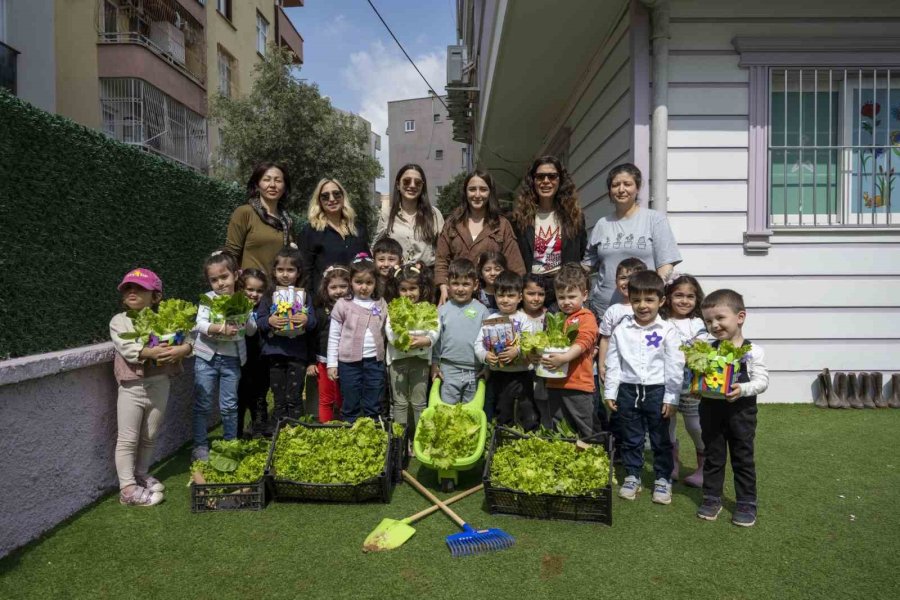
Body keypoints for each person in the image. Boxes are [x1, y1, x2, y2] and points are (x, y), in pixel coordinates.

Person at [110, 268, 192, 506]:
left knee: (150, 435)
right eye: (128, 288)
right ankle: (127, 488)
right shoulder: (119, 320)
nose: (132, 292)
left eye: (140, 288)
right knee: (127, 438)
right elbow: (128, 348)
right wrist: (149, 352)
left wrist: (183, 349)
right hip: (132, 387)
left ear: (156, 297)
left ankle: (141, 474)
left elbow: (187, 340)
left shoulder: (165, 317)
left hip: (159, 383)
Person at [604, 271, 684, 505]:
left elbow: (675, 365)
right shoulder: (622, 329)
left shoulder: (667, 330)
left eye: (649, 300)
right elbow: (613, 362)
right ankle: (632, 475)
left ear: (661, 301)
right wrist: (610, 391)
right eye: (637, 299)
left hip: (657, 391)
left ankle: (662, 478)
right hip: (628, 390)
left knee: (660, 438)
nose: (642, 305)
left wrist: (671, 397)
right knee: (631, 436)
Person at [697, 289, 769, 527]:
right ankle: (711, 498)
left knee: (742, 458)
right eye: (708, 321)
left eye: (720, 318)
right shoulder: (705, 350)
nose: (714, 325)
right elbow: (697, 376)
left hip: (741, 413)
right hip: (710, 411)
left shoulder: (752, 351)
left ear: (740, 317)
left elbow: (762, 381)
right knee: (713, 457)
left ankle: (747, 502)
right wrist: (695, 384)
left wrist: (743, 389)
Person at [582, 163, 682, 316]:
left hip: (642, 310)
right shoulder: (602, 224)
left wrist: (652, 293)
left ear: (637, 187)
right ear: (610, 190)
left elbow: (666, 265)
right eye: (615, 185)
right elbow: (588, 265)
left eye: (627, 184)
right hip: (603, 309)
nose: (621, 189)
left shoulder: (654, 220)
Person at [192, 252, 258, 460]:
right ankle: (200, 446)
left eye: (224, 277)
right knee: (203, 403)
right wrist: (221, 328)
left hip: (232, 360)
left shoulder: (242, 300)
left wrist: (245, 315)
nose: (220, 283)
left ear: (236, 275)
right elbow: (200, 324)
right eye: (214, 280)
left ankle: (230, 443)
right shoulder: (208, 299)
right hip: (206, 358)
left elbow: (251, 331)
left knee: (229, 406)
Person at [434, 170, 525, 305]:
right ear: (465, 192)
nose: (477, 195)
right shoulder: (452, 223)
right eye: (472, 189)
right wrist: (443, 287)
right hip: (459, 296)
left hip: (493, 300)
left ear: (490, 193)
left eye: (483, 189)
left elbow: (515, 265)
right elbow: (441, 259)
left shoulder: (501, 224)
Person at [511, 156, 588, 307]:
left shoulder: (574, 217)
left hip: (564, 292)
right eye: (540, 177)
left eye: (552, 176)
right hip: (532, 291)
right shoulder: (520, 219)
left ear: (560, 180)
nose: (546, 181)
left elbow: (581, 254)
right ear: (533, 181)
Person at [256, 247, 316, 427]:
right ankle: (278, 432)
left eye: (290, 270)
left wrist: (305, 318)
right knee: (279, 396)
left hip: (297, 353)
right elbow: (259, 320)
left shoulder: (304, 296)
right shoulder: (269, 295)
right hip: (274, 352)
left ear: (298, 273)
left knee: (295, 395)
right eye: (280, 270)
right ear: (274, 272)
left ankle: (297, 431)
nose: (285, 274)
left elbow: (313, 321)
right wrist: (270, 320)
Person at [541, 264, 599, 438]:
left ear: (585, 295)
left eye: (572, 296)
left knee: (584, 425)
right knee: (560, 425)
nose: (566, 302)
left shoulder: (586, 317)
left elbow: (583, 342)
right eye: (561, 297)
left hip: (578, 384)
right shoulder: (556, 317)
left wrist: (563, 358)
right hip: (554, 382)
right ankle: (566, 459)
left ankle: (593, 458)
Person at [476, 271, 539, 430]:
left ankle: (528, 438)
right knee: (503, 411)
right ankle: (504, 439)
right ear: (495, 296)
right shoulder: (490, 319)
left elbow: (529, 342)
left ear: (519, 297)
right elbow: (478, 344)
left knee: (527, 411)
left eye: (510, 296)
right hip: (499, 374)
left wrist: (517, 351)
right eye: (501, 295)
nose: (505, 300)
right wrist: (485, 356)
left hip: (522, 374)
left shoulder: (524, 319)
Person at [327, 256, 388, 421]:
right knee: (351, 402)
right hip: (349, 364)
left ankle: (374, 435)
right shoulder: (343, 305)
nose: (364, 287)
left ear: (375, 283)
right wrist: (332, 364)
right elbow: (334, 336)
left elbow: (388, 330)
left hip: (374, 362)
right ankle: (350, 434)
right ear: (351, 282)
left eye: (369, 283)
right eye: (359, 282)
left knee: (373, 402)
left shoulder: (381, 304)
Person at [661, 274, 708, 487]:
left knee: (695, 425)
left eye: (690, 296)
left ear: (697, 299)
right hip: (664, 381)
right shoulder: (660, 321)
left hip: (691, 384)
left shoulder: (698, 322)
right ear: (668, 297)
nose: (684, 300)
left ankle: (704, 468)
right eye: (678, 295)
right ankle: (673, 463)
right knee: (667, 423)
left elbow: (700, 348)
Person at [385, 263, 438, 431]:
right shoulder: (393, 308)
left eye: (413, 289)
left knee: (419, 402)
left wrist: (427, 340)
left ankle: (419, 438)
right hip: (398, 361)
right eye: (404, 289)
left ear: (421, 289)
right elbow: (390, 331)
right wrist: (403, 341)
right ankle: (401, 439)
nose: (409, 294)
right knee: (399, 402)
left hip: (420, 361)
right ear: (397, 290)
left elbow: (435, 328)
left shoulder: (428, 308)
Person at [431, 258, 489, 404]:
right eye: (455, 283)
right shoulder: (442, 310)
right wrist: (434, 365)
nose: (460, 289)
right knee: (447, 411)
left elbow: (489, 342)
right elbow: (436, 341)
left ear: (475, 285)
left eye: (466, 284)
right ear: (448, 284)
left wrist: (487, 367)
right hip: (448, 369)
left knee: (470, 413)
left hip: (475, 370)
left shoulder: (482, 311)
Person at [298, 178, 369, 296]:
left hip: (356, 299)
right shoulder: (310, 231)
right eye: (325, 196)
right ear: (319, 201)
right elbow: (305, 272)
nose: (332, 199)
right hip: (324, 302)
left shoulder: (358, 229)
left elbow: (366, 264)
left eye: (336, 194)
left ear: (343, 197)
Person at [225, 162, 295, 277]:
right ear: (257, 185)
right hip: (250, 291)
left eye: (278, 181)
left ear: (285, 187)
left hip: (277, 292)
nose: (272, 185)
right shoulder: (245, 213)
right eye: (267, 180)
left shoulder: (287, 221)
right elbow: (230, 254)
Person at [375, 164, 444, 266]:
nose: (412, 185)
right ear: (398, 185)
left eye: (418, 183)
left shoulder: (434, 214)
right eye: (406, 181)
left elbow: (443, 250)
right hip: (397, 276)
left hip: (426, 276)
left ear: (422, 186)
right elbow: (377, 248)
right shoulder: (387, 215)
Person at [308, 265, 350, 423]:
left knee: (342, 399)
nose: (338, 291)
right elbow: (312, 337)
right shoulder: (320, 310)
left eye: (343, 286)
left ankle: (342, 429)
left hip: (347, 361)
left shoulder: (352, 308)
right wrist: (311, 361)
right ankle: (325, 429)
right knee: (326, 399)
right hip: (324, 361)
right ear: (326, 289)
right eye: (333, 287)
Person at [597, 258, 648, 383]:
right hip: (616, 366)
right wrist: (601, 365)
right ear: (616, 282)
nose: (627, 282)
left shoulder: (648, 309)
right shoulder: (613, 310)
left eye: (633, 277)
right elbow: (605, 339)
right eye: (623, 278)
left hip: (643, 366)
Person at [236, 268, 269, 438]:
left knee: (259, 397)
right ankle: (237, 434)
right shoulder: (236, 307)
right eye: (250, 289)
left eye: (259, 291)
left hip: (260, 361)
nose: (254, 294)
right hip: (240, 361)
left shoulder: (264, 309)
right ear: (241, 289)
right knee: (240, 398)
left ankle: (260, 431)